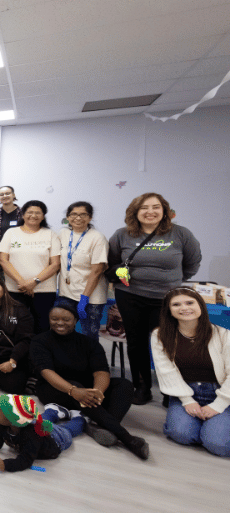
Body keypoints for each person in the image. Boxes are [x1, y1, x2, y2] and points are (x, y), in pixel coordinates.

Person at [110, 192, 202, 405]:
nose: (150, 212)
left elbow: (193, 262)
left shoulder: (180, 234)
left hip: (166, 299)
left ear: (165, 211)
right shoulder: (122, 235)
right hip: (130, 296)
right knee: (136, 343)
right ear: (135, 211)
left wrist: (173, 281)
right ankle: (141, 386)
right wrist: (120, 273)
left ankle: (171, 390)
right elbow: (112, 262)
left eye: (155, 207)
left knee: (167, 343)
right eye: (144, 207)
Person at [31, 302, 148, 459]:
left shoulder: (89, 343)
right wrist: (74, 391)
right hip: (54, 390)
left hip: (86, 391)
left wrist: (98, 391)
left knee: (124, 384)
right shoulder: (40, 341)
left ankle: (98, 425)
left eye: (66, 319)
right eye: (54, 319)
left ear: (75, 321)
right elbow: (47, 372)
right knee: (76, 385)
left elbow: (101, 371)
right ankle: (127, 438)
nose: (59, 323)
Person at [151, 287, 230, 457]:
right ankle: (210, 429)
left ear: (200, 305)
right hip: (186, 393)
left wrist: (218, 405)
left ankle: (213, 431)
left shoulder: (223, 334)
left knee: (218, 445)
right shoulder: (160, 335)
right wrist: (187, 401)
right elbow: (167, 371)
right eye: (176, 304)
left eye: (189, 302)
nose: (184, 308)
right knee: (181, 434)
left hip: (222, 393)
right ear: (169, 311)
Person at [0, 200, 61, 334]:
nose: (33, 215)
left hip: (44, 290)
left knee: (42, 326)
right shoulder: (11, 233)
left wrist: (34, 282)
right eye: (30, 212)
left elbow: (55, 264)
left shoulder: (50, 234)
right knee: (14, 326)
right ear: (22, 214)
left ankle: (38, 354)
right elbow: (3, 260)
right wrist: (22, 282)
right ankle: (17, 354)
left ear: (43, 216)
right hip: (15, 289)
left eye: (38, 213)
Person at [0, 394, 86, 473]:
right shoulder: (2, 423)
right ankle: (54, 410)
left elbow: (26, 459)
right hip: (37, 427)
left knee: (67, 430)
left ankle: (80, 419)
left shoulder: (32, 435)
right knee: (41, 419)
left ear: (12, 419)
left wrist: (6, 464)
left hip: (56, 440)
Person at [57, 202, 109, 340]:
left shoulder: (97, 237)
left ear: (90, 217)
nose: (78, 218)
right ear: (68, 217)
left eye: (83, 214)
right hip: (66, 293)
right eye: (74, 214)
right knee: (63, 332)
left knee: (88, 335)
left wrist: (84, 298)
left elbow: (97, 271)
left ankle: (89, 361)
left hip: (91, 297)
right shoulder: (63, 234)